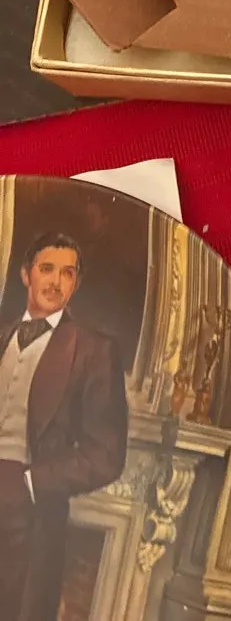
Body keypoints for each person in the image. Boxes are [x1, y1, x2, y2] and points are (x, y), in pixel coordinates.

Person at [0, 232, 128, 621]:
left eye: (67, 273)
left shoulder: (94, 350)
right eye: (47, 269)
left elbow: (106, 455)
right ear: (26, 274)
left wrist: (30, 483)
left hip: (30, 515)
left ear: (76, 283)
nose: (56, 282)